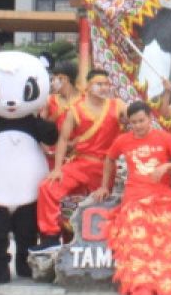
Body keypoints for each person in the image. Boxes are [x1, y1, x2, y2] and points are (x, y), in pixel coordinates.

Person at [91, 101, 171, 295]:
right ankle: (141, 288)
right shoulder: (122, 140)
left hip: (163, 196)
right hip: (135, 198)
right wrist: (105, 186)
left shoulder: (164, 138)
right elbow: (109, 160)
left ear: (150, 119)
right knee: (139, 239)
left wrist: (167, 166)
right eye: (134, 122)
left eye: (141, 121)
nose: (138, 125)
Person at [33, 69, 125, 250]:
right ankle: (51, 237)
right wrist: (58, 168)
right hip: (81, 163)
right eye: (99, 84)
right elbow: (63, 140)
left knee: (104, 204)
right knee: (47, 187)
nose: (104, 88)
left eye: (106, 84)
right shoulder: (75, 110)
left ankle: (112, 244)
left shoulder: (117, 105)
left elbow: (135, 119)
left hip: (106, 166)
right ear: (88, 87)